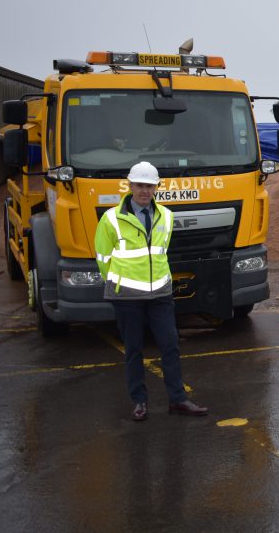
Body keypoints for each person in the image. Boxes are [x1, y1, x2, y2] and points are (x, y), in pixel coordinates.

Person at [94, 161, 208, 421]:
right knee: (134, 350)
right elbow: (102, 256)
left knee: (170, 346)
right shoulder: (111, 218)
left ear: (157, 187)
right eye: (140, 185)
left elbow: (161, 251)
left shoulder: (166, 216)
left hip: (160, 294)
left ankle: (178, 400)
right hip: (127, 296)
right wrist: (118, 282)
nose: (145, 190)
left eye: (149, 186)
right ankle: (139, 402)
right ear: (130, 185)